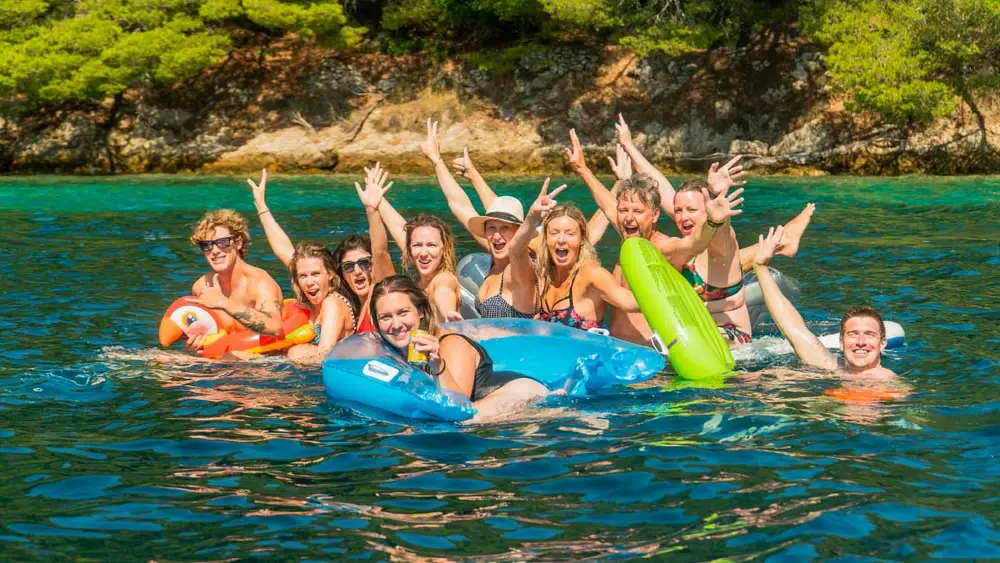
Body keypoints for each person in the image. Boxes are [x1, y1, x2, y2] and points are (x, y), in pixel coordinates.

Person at [419, 118, 614, 318]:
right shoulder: (494, 249)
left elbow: (588, 234)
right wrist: (437, 161)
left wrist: (614, 189)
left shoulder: (525, 263)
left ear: (519, 232)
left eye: (505, 230)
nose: (497, 236)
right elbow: (460, 205)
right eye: (492, 229)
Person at [371, 275, 550, 421]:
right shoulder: (390, 350)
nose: (396, 324)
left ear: (420, 311)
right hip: (489, 404)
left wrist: (437, 364)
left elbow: (457, 410)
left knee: (468, 421)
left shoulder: (450, 344)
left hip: (519, 394)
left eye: (403, 313)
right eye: (385, 317)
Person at [250, 169, 388, 334]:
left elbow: (380, 252)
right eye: (349, 266)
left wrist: (372, 210)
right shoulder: (337, 295)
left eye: (364, 263)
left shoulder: (378, 294)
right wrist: (261, 207)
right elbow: (286, 252)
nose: (357, 271)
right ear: (340, 272)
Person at [752, 225, 897, 378]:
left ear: (883, 343)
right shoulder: (831, 367)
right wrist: (760, 267)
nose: (861, 342)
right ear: (841, 342)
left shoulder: (887, 383)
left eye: (869, 334)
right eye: (853, 334)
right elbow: (794, 328)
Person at [513, 186, 643, 331]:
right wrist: (532, 217)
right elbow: (515, 248)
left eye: (570, 233)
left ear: (581, 239)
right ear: (546, 238)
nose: (561, 240)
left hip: (588, 353)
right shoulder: (545, 271)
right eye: (554, 233)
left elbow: (628, 302)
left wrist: (665, 296)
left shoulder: (590, 273)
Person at [186, 209, 284, 351]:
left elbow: (275, 328)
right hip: (222, 363)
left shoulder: (259, 283)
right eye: (207, 245)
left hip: (264, 365)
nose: (214, 251)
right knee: (161, 361)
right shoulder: (202, 286)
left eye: (223, 242)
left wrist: (224, 303)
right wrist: (193, 342)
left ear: (238, 243)